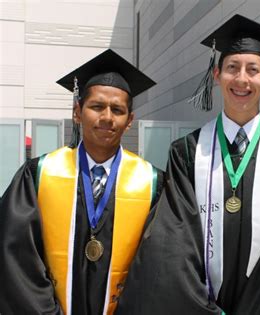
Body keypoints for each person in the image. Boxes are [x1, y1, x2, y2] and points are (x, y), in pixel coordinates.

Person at [116, 14, 260, 314]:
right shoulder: (186, 152)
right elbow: (175, 242)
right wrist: (203, 306)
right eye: (232, 68)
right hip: (204, 306)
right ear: (216, 75)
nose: (241, 79)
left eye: (253, 70)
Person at [0, 49, 165, 315]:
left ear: (130, 121)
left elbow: (159, 265)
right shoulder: (39, 174)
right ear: (78, 112)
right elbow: (16, 255)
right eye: (97, 107)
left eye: (118, 110)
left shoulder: (152, 183)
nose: (107, 117)